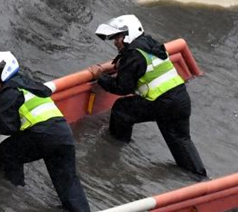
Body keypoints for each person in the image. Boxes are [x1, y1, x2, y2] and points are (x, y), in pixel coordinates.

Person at [89, 14, 207, 177]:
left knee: (121, 109)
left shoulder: (133, 54)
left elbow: (122, 87)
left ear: (129, 35)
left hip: (162, 103)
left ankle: (115, 148)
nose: (116, 42)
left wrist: (100, 77)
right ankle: (200, 178)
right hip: (180, 99)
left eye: (118, 37)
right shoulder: (150, 44)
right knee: (181, 140)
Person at [0, 51, 91, 212]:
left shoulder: (10, 91)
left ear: (3, 73)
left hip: (43, 133)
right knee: (69, 183)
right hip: (63, 133)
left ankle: (12, 192)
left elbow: (7, 126)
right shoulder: (30, 84)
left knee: (8, 150)